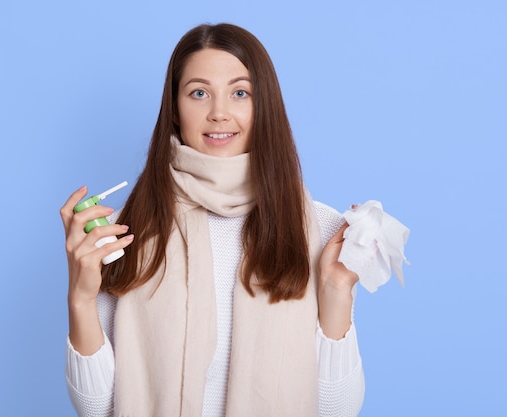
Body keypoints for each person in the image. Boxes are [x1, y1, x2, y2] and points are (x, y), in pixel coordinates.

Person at [60, 23, 365, 417]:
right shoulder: (124, 230)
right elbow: (97, 409)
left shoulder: (317, 228)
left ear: (263, 107)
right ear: (174, 109)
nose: (219, 113)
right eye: (199, 93)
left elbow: (338, 411)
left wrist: (335, 290)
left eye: (240, 93)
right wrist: (80, 298)